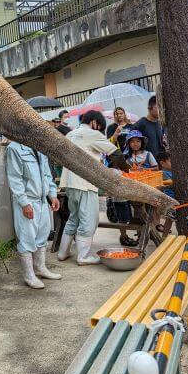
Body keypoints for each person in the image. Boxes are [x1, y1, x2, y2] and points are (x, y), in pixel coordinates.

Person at [58, 110, 118, 265]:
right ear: (94, 122)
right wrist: (128, 168)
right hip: (85, 183)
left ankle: (63, 252)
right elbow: (114, 153)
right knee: (89, 219)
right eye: (99, 127)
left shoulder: (71, 134)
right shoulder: (92, 133)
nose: (99, 130)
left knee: (74, 217)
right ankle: (83, 257)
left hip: (70, 183)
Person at [6, 141, 62, 288]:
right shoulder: (14, 148)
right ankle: (29, 276)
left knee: (42, 234)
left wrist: (52, 195)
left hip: (42, 200)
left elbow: (47, 174)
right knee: (27, 238)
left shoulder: (38, 146)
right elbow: (14, 179)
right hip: (28, 201)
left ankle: (41, 268)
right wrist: (24, 203)